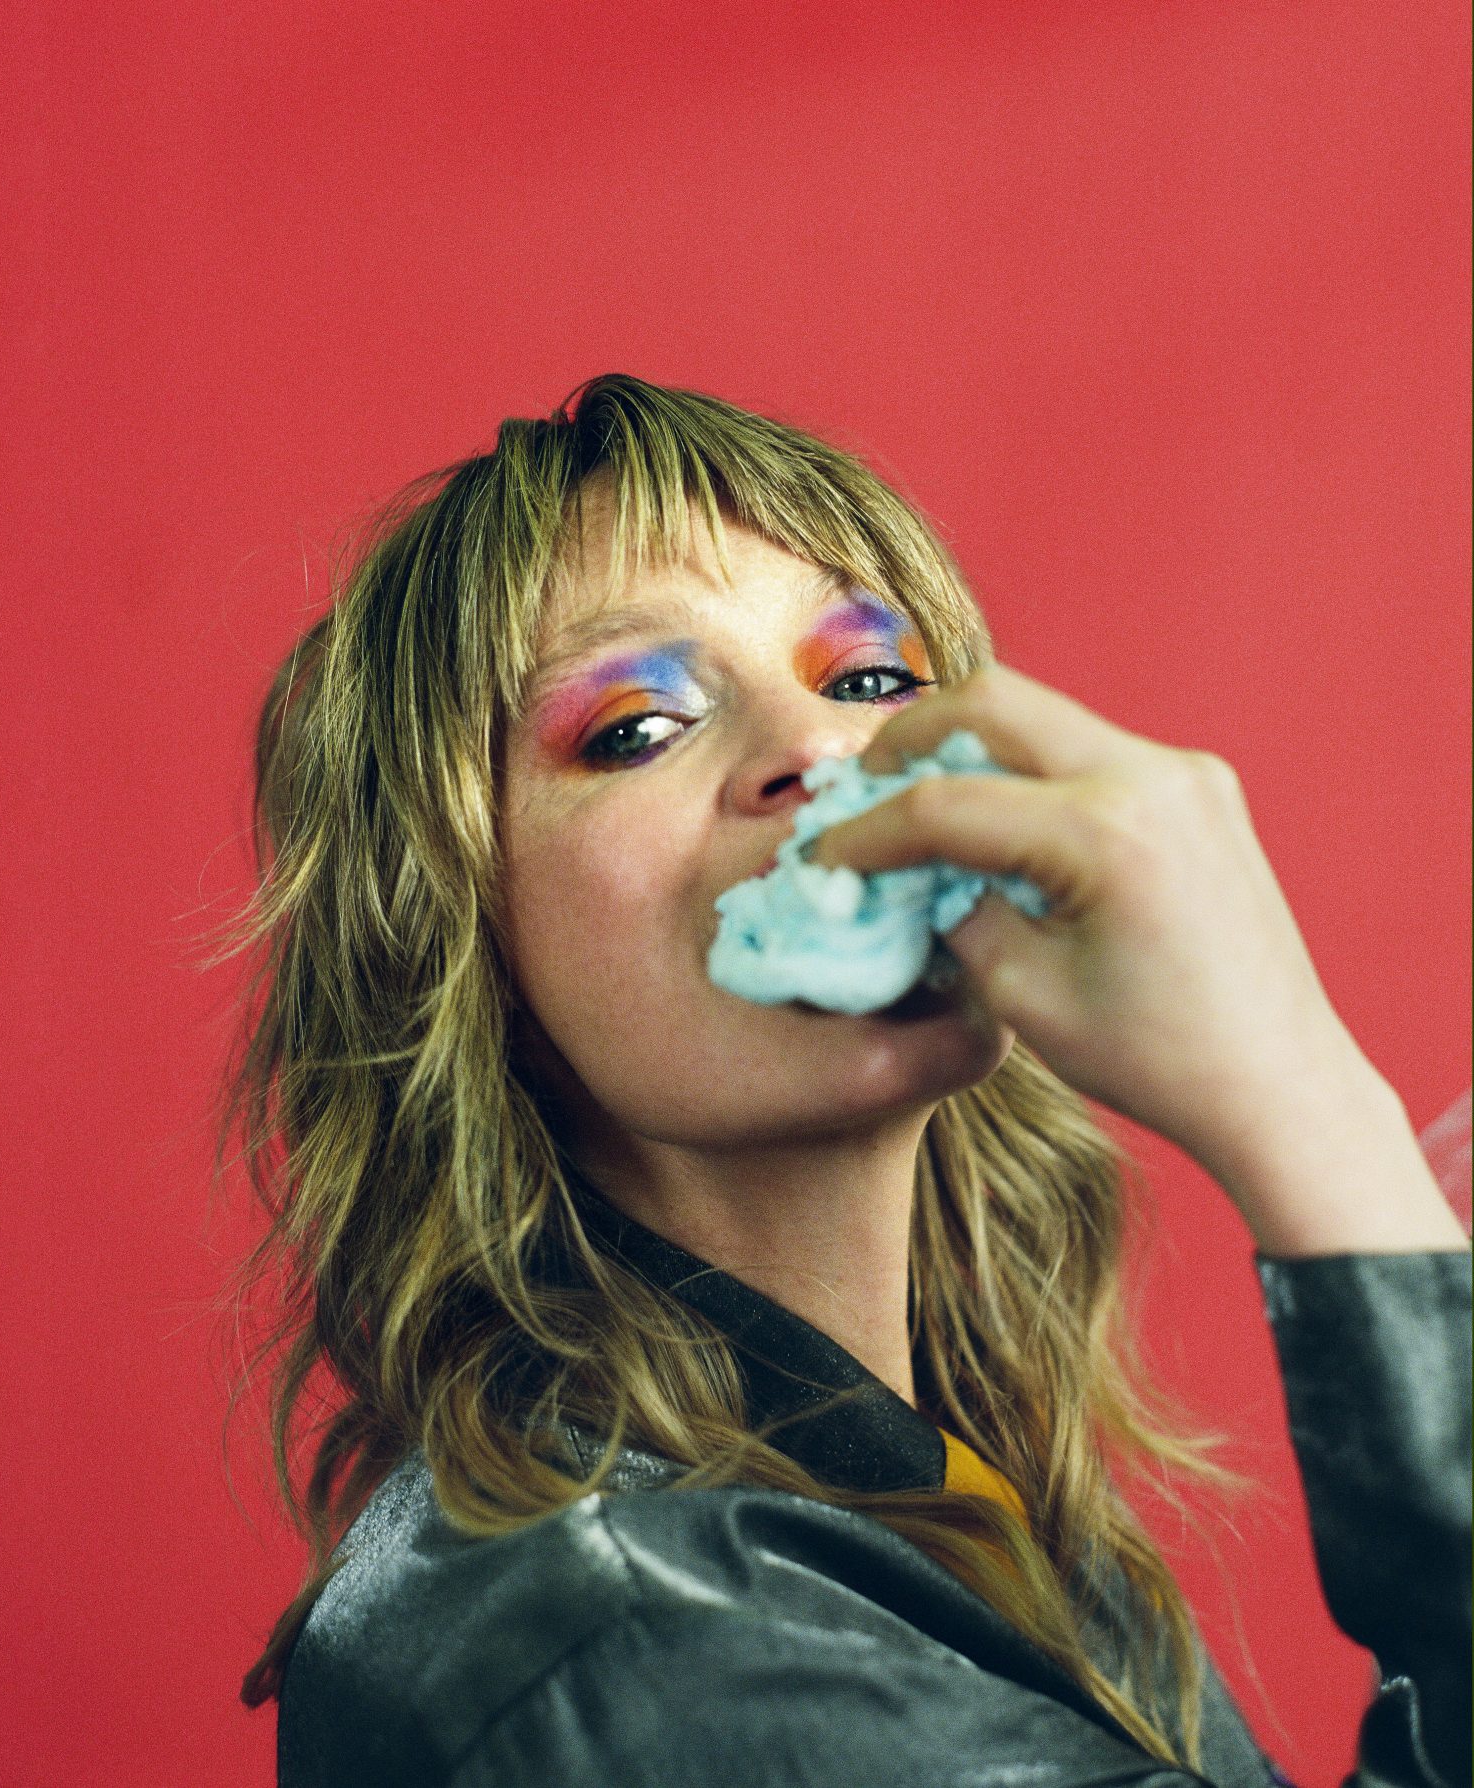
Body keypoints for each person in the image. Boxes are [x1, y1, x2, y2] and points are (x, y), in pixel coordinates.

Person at [210, 373, 1471, 1787]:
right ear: (457, 942)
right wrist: (1320, 1125)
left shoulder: (954, 1498)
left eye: (869, 680)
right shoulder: (630, 1643)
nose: (815, 747)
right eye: (637, 727)